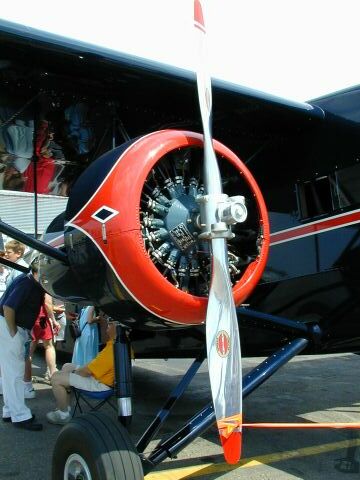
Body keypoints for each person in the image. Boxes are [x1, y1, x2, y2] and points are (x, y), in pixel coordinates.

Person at [0, 256, 44, 431]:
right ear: (37, 272)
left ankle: (10, 411)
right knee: (15, 373)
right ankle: (20, 415)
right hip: (10, 327)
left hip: (8, 326)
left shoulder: (26, 280)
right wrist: (14, 332)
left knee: (10, 373)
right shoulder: (28, 284)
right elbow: (8, 308)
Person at [46, 319, 116, 425]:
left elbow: (86, 372)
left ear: (117, 329)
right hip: (102, 378)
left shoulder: (112, 350)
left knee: (56, 378)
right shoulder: (117, 344)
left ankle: (63, 415)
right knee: (66, 366)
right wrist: (74, 371)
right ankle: (66, 406)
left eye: (110, 323)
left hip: (101, 385)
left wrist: (74, 372)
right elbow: (95, 365)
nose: (107, 325)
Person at [30, 293, 61, 381]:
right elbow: (47, 303)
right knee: (49, 346)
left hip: (31, 319)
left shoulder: (30, 284)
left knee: (30, 348)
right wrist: (54, 321)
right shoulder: (44, 285)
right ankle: (53, 375)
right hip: (42, 319)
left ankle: (27, 377)